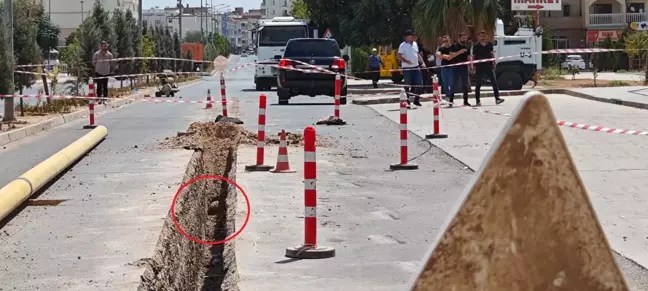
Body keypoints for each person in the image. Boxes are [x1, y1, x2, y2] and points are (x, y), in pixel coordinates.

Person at [472, 31, 505, 106]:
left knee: (494, 82)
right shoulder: (476, 46)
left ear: (486, 37)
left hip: (489, 66)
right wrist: (473, 66)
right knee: (478, 84)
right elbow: (473, 56)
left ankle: (497, 98)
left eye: (484, 36)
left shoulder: (489, 44)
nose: (483, 38)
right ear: (479, 37)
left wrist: (494, 62)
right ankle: (477, 101)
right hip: (479, 66)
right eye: (481, 36)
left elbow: (491, 53)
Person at [397, 30, 425, 107]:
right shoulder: (402, 45)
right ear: (407, 37)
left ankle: (416, 100)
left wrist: (422, 62)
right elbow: (398, 56)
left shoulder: (415, 44)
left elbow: (417, 54)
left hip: (416, 67)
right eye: (411, 35)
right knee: (408, 84)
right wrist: (406, 61)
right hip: (407, 68)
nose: (413, 37)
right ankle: (407, 99)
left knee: (420, 84)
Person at [436, 35, 465, 107]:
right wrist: (445, 56)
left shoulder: (453, 47)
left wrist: (444, 56)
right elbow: (438, 55)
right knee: (445, 84)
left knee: (452, 83)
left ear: (450, 40)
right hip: (444, 68)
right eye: (444, 41)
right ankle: (448, 96)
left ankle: (451, 98)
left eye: (447, 41)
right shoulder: (441, 48)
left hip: (452, 67)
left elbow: (451, 56)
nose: (445, 42)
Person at [451, 32, 471, 106]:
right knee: (453, 84)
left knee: (465, 85)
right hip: (455, 68)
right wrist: (460, 52)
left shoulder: (467, 46)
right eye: (463, 38)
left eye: (465, 38)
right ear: (459, 38)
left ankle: (465, 101)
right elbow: (451, 56)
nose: (464, 39)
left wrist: (470, 66)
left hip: (464, 68)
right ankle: (451, 101)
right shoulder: (454, 46)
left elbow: (468, 57)